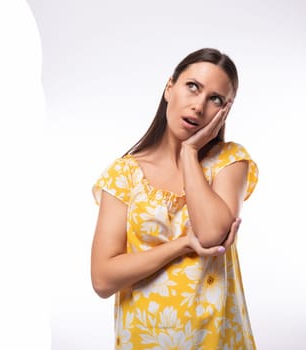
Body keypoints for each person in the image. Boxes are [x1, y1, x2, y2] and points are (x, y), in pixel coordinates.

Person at [91, 48, 259, 349]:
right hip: (146, 340)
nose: (198, 106)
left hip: (215, 338)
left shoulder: (229, 161)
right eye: (192, 87)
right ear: (170, 87)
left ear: (225, 110)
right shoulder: (124, 173)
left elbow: (210, 236)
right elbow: (103, 279)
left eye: (215, 99)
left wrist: (190, 152)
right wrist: (181, 245)